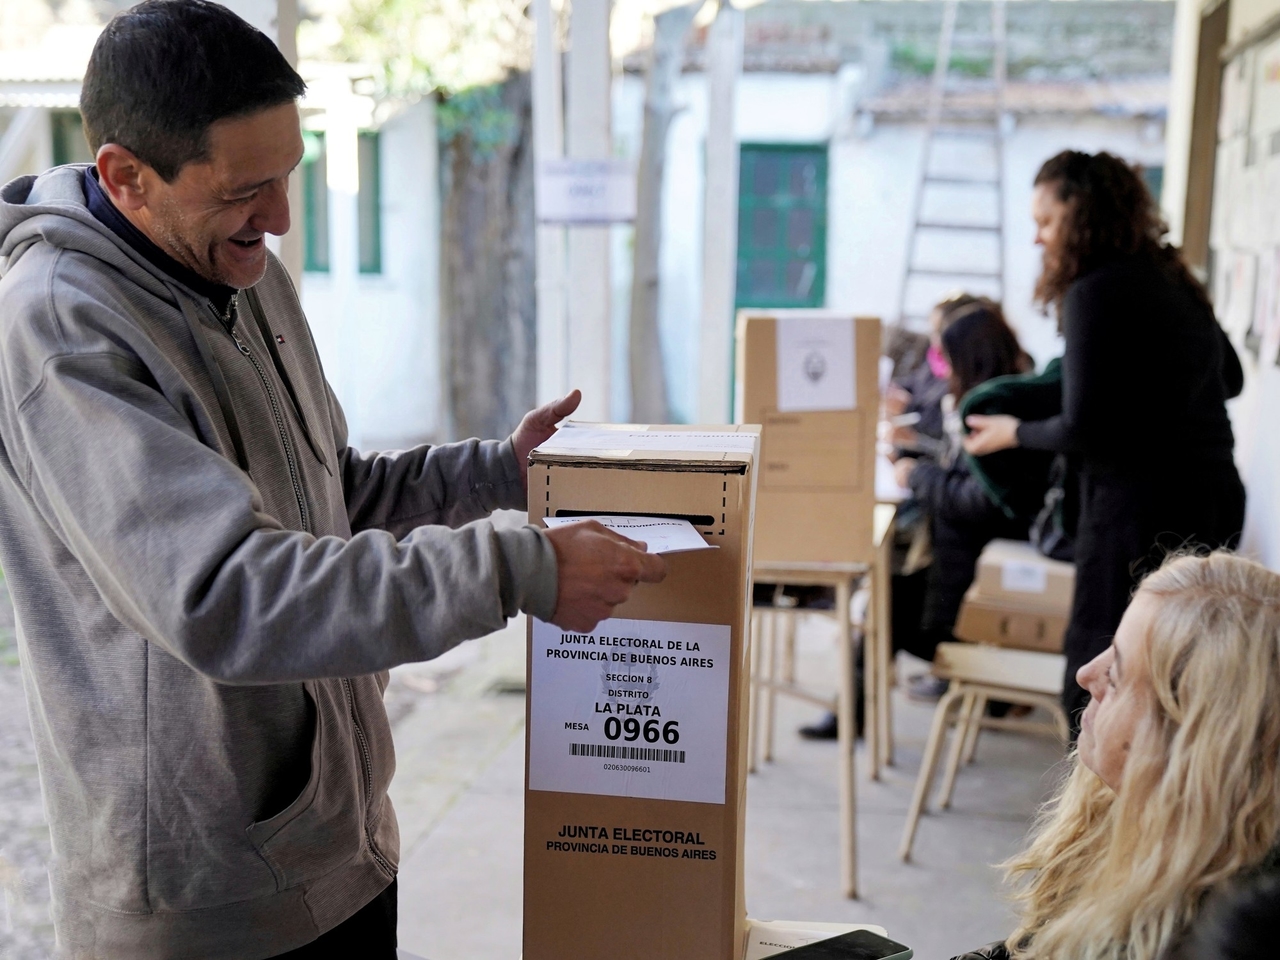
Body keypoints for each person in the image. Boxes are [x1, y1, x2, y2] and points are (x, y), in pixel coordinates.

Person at [0, 3, 665, 958]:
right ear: (125, 177)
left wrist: (494, 474)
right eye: (247, 189)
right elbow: (225, 593)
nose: (276, 220)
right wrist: (520, 571)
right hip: (210, 900)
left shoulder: (243, 271)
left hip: (338, 842)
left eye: (288, 178)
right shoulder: (61, 327)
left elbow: (326, 498)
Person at [964, 150, 1245, 729]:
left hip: (1135, 518)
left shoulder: (1092, 291)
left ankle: (1094, 816)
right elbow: (1232, 377)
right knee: (1177, 685)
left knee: (1103, 679)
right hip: (1214, 500)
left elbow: (1085, 426)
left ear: (1081, 213)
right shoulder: (1173, 279)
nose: (1039, 239)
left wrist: (1013, 430)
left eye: (1046, 221)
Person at [950, 551, 1280, 960]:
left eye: (1118, 674)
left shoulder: (1219, 937)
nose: (1086, 673)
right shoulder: (1168, 835)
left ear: (1185, 737)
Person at [893, 300, 1039, 698]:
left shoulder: (992, 410)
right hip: (966, 560)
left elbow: (980, 499)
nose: (942, 369)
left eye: (947, 357)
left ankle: (854, 714)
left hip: (976, 567)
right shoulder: (1004, 395)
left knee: (887, 605)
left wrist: (918, 474)